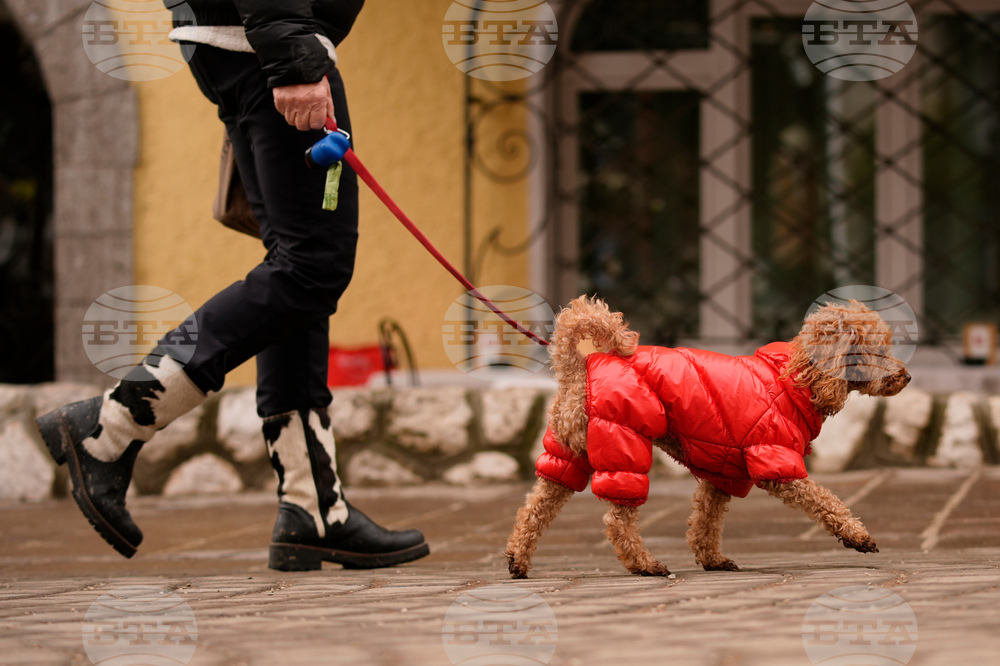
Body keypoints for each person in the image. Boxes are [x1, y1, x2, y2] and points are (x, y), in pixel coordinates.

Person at [35, 0, 430, 572]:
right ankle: (111, 426)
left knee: (297, 269)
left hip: (248, 45)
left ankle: (312, 507)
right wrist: (294, 51)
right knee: (310, 267)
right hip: (270, 43)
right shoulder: (282, 47)